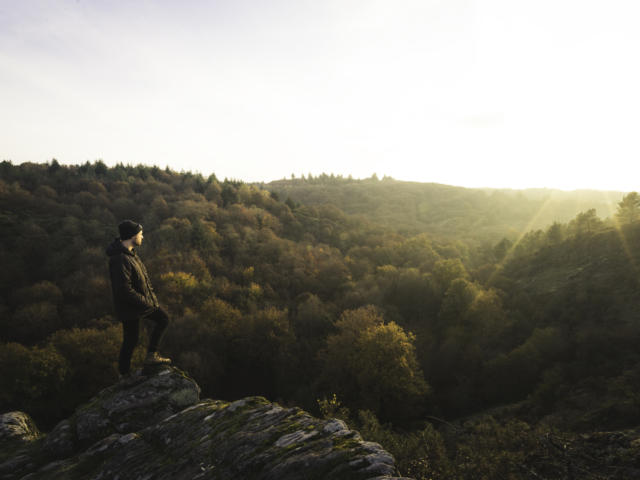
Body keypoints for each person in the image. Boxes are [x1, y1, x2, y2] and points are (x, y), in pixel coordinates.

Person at [106, 220, 171, 377]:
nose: (143, 237)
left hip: (140, 303)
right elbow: (123, 290)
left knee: (163, 319)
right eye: (140, 234)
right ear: (132, 236)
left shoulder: (131, 254)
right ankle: (124, 375)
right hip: (131, 306)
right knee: (131, 340)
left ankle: (151, 356)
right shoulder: (120, 258)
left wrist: (149, 298)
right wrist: (146, 301)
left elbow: (142, 280)